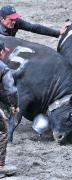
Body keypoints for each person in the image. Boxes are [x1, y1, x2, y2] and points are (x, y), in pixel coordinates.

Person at [0, 40, 19, 177]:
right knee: (2, 131)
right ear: (1, 52)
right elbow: (11, 91)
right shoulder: (3, 68)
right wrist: (15, 105)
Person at [0, 5, 71, 37]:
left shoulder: (16, 22)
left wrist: (58, 32)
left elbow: (34, 28)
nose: (14, 21)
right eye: (11, 19)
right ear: (2, 19)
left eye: (15, 19)